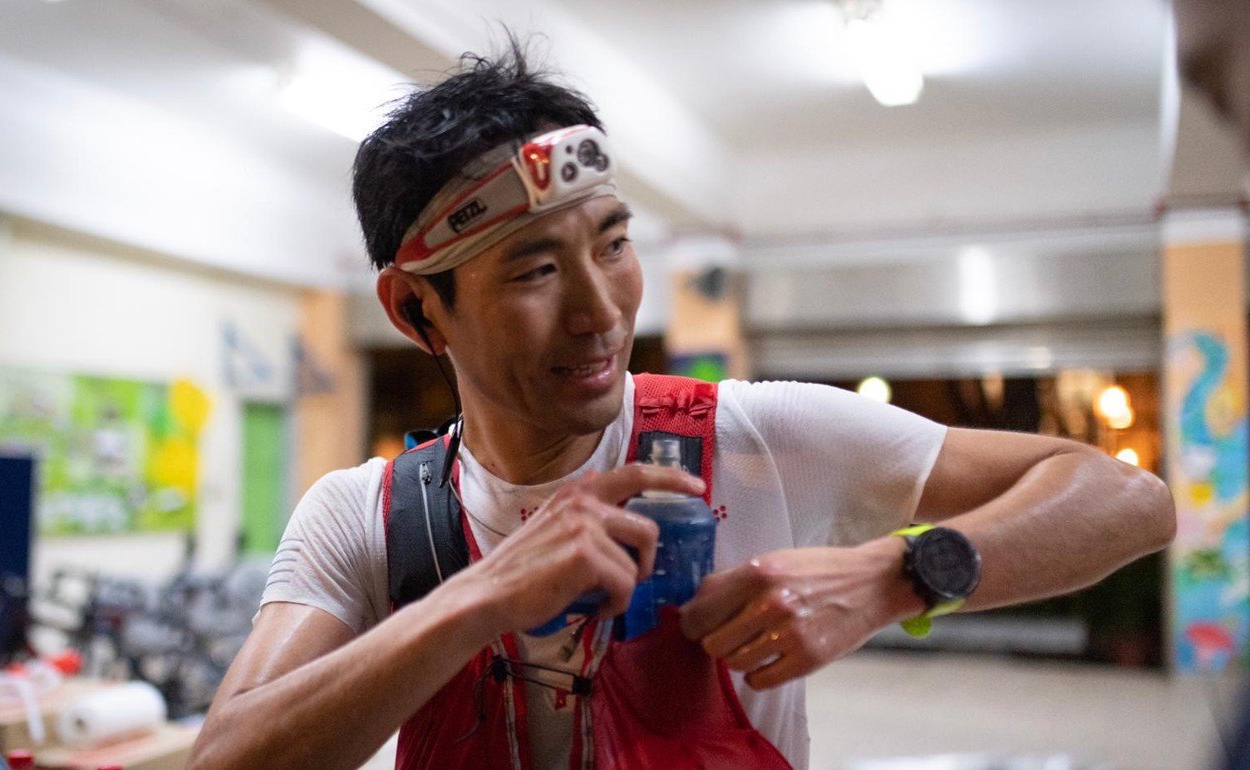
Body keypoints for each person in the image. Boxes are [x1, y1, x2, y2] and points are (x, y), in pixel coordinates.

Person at [189, 46, 1175, 770]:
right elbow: (227, 756)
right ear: (415, 308)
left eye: (613, 246)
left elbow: (1127, 497)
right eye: (535, 268)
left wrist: (899, 572)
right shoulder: (368, 515)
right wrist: (477, 595)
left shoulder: (759, 437)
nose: (600, 310)